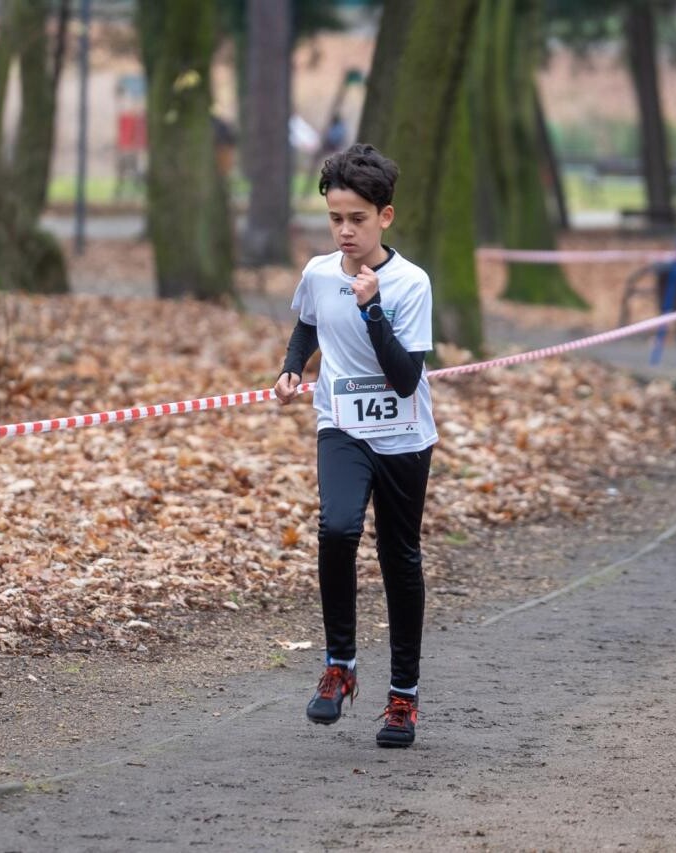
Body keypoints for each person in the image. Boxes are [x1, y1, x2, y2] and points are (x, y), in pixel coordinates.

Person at [274, 144, 438, 748]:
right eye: (335, 218)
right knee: (338, 529)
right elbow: (309, 322)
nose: (345, 231)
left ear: (385, 217)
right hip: (341, 426)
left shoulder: (410, 283)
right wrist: (293, 366)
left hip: (402, 436)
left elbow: (403, 377)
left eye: (358, 219)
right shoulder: (319, 272)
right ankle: (340, 665)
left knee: (400, 559)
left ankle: (403, 698)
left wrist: (373, 311)